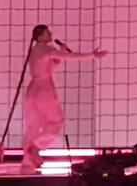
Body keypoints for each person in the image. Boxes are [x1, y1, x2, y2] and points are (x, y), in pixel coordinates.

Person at [21, 25, 106, 173]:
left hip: (33, 89)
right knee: (55, 121)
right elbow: (69, 57)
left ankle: (28, 160)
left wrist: (59, 51)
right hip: (44, 89)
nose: (51, 34)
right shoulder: (46, 50)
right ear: (40, 37)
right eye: (47, 33)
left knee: (33, 125)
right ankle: (36, 147)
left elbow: (50, 65)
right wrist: (92, 55)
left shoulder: (35, 51)